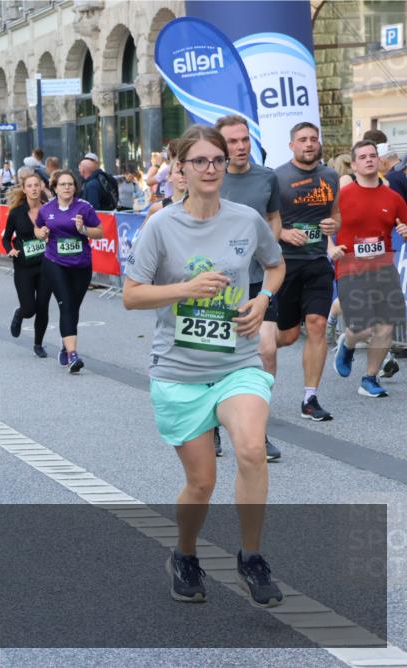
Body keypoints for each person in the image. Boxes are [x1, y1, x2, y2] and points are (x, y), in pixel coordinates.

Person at [122, 124, 286, 608]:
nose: (211, 168)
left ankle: (252, 557)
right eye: (200, 161)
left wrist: (263, 299)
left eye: (217, 159)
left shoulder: (246, 219)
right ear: (181, 169)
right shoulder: (161, 225)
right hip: (179, 370)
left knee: (252, 450)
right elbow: (132, 294)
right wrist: (183, 291)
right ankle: (186, 554)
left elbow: (274, 265)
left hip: (238, 362)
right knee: (201, 483)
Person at [216, 114, 284, 461]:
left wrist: (266, 247)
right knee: (219, 353)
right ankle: (210, 423)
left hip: (258, 277)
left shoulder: (266, 177)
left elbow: (274, 218)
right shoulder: (211, 177)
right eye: (232, 141)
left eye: (244, 140)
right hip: (220, 283)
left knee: (267, 350)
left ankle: (258, 429)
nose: (240, 147)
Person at [270, 122, 341, 421]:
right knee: (284, 337)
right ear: (291, 146)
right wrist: (283, 233)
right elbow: (264, 220)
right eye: (302, 140)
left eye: (313, 139)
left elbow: (335, 213)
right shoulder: (277, 177)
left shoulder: (330, 176)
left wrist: (333, 225)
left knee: (316, 324)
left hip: (316, 264)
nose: (309, 144)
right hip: (285, 264)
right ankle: (249, 353)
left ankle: (309, 398)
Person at [332, 140, 407, 397]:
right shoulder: (342, 196)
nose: (369, 160)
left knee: (386, 326)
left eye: (373, 155)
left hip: (384, 268)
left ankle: (369, 378)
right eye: (362, 157)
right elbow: (323, 227)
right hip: (350, 267)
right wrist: (330, 249)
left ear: (380, 161)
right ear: (354, 164)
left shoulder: (394, 198)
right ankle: (348, 343)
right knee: (362, 327)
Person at [34, 169, 104, 373]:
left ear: (75, 187)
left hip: (81, 265)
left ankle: (66, 344)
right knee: (65, 304)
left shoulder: (84, 208)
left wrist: (83, 230)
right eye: (62, 184)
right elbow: (37, 229)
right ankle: (73, 355)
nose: (67, 187)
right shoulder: (47, 209)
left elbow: (100, 232)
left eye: (70, 184)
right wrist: (41, 233)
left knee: (73, 307)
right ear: (55, 188)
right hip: (55, 262)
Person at [3, 170, 51, 357]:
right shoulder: (16, 213)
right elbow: (6, 238)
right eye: (29, 186)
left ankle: (38, 344)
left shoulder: (48, 210)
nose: (33, 189)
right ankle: (20, 313)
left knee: (43, 307)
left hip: (46, 265)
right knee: (29, 308)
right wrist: (10, 249)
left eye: (36, 185)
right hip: (23, 266)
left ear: (41, 187)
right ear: (24, 190)